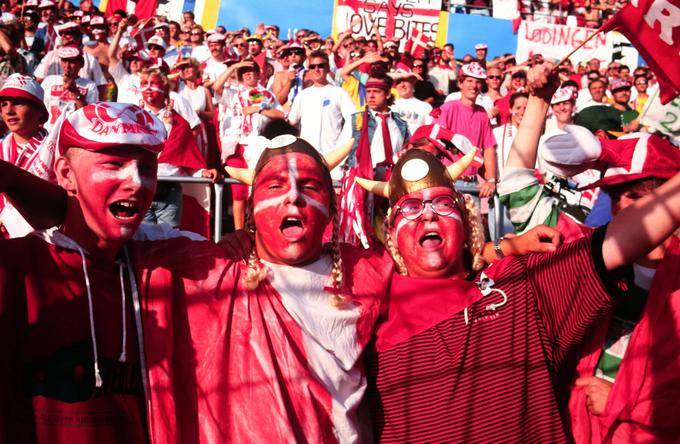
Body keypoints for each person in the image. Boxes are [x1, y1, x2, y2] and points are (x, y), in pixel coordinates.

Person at [355, 135, 680, 442]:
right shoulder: (362, 310)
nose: (428, 216)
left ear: (467, 224)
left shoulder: (522, 285)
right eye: (410, 209)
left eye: (442, 204)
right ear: (392, 233)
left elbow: (622, 239)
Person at [0, 102, 167, 443]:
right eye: (114, 164)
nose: (136, 183)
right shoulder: (16, 267)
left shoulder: (169, 264)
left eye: (147, 168)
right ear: (63, 174)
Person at [432, 62, 497, 198]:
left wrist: (490, 179)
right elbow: (436, 143)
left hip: (472, 183)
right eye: (469, 81)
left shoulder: (482, 113)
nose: (473, 86)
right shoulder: (448, 108)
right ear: (460, 84)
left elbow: (489, 147)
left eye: (478, 82)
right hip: (448, 181)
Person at [287, 51, 356, 179]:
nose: (317, 69)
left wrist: (341, 148)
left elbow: (355, 120)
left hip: (333, 160)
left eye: (321, 66)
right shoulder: (303, 95)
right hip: (306, 158)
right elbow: (291, 123)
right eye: (313, 66)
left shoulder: (339, 93)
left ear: (328, 68)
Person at [0, 74, 51, 237]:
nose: (9, 110)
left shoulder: (54, 150)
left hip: (42, 243)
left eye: (18, 102)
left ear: (40, 112)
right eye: (3, 104)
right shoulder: (1, 148)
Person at [41, 46, 98, 131]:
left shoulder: (90, 85)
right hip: (49, 133)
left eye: (72, 62)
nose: (67, 66)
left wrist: (75, 91)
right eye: (64, 61)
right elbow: (39, 109)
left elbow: (89, 116)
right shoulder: (49, 80)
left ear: (81, 64)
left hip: (74, 133)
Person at [390, 65, 433, 134]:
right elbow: (377, 77)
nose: (402, 85)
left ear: (413, 84)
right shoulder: (390, 106)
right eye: (398, 82)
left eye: (405, 81)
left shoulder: (425, 106)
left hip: (416, 143)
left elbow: (430, 132)